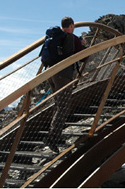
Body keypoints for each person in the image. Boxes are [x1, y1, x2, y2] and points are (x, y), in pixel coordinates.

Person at [44, 16, 86, 153]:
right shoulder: (72, 38)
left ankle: (55, 134)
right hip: (64, 75)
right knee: (63, 106)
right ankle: (53, 138)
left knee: (58, 104)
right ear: (72, 26)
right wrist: (83, 45)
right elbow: (84, 56)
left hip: (50, 72)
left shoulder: (54, 37)